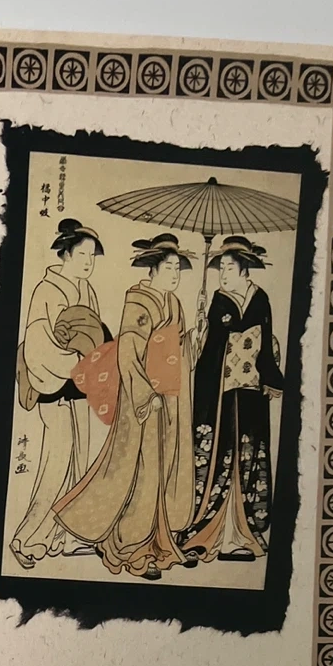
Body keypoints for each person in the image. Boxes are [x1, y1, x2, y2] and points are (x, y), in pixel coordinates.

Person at [52, 234, 198, 581]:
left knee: (165, 467)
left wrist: (196, 337)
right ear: (153, 269)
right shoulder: (139, 301)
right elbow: (129, 352)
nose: (174, 274)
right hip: (143, 400)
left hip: (172, 396)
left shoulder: (174, 302)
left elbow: (179, 350)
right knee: (140, 471)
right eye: (169, 268)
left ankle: (160, 543)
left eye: (177, 268)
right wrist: (146, 395)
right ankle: (129, 547)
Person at [10, 220, 111, 568]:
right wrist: (74, 360)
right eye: (82, 255)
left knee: (80, 462)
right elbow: (38, 343)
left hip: (81, 387)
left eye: (92, 256)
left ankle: (65, 537)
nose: (88, 262)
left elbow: (95, 338)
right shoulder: (47, 290)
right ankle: (25, 539)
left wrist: (93, 360)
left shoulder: (88, 290)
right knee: (56, 462)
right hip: (55, 387)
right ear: (66, 254)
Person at [181, 236, 284, 562]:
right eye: (221, 268)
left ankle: (241, 534)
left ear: (244, 270)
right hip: (221, 391)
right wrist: (202, 329)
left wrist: (270, 378)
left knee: (247, 457)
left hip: (250, 390)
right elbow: (212, 347)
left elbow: (265, 344)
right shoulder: (218, 300)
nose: (223, 274)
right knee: (219, 458)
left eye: (229, 268)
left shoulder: (260, 298)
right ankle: (214, 534)